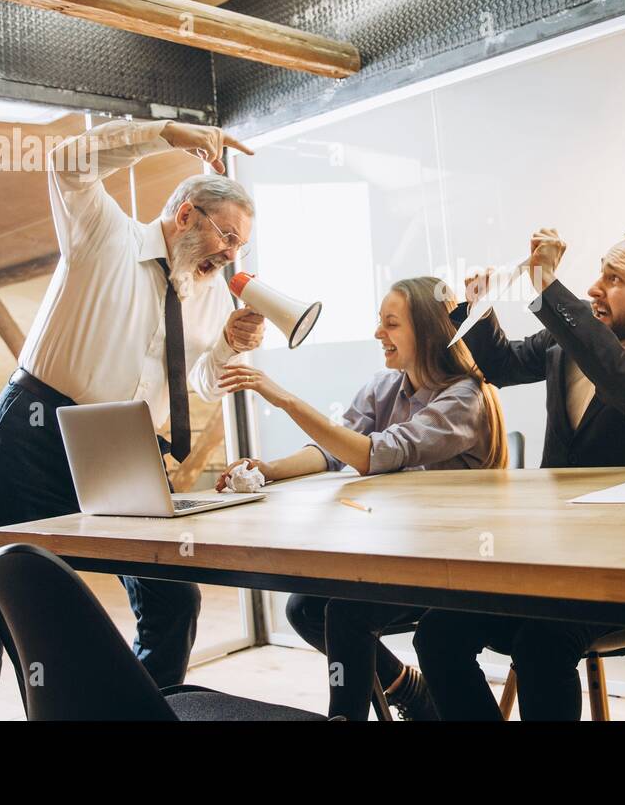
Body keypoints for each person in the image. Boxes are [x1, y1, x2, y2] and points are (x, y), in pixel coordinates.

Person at [0, 118, 262, 720]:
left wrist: (228, 347)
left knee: (172, 600)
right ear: (186, 214)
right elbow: (69, 160)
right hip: (38, 429)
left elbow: (198, 382)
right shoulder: (104, 233)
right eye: (228, 237)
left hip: (128, 447)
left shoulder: (210, 294)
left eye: (240, 246)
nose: (233, 255)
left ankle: (133, 716)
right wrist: (164, 133)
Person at [413, 226, 625, 720]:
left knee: (540, 644)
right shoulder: (571, 338)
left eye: (614, 278)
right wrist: (477, 307)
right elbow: (503, 367)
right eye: (600, 273)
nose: (595, 287)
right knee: (437, 631)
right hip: (553, 564)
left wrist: (547, 285)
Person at [217, 276, 507, 721]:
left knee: (348, 614)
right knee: (307, 608)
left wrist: (285, 400)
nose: (378, 334)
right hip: (406, 553)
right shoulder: (385, 386)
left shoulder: (464, 398)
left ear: (428, 332)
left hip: (457, 562)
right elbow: (337, 449)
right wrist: (267, 469)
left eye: (391, 324)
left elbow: (374, 454)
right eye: (379, 322)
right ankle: (409, 689)